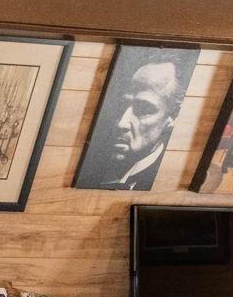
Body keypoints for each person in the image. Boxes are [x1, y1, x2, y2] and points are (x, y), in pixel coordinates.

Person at [73, 48, 196, 190]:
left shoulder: (171, 181)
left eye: (143, 109)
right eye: (121, 106)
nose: (122, 124)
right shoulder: (87, 175)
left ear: (173, 117)